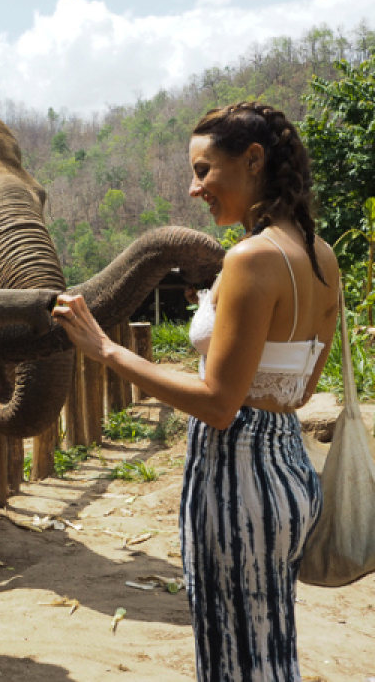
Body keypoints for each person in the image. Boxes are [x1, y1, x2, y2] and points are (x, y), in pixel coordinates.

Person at [52, 101, 339, 681]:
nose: (193, 188)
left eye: (204, 170)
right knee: (269, 648)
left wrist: (107, 350)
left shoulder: (250, 258)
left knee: (232, 658)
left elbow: (218, 403)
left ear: (253, 160)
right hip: (290, 473)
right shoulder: (320, 255)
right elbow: (298, 390)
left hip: (238, 479)